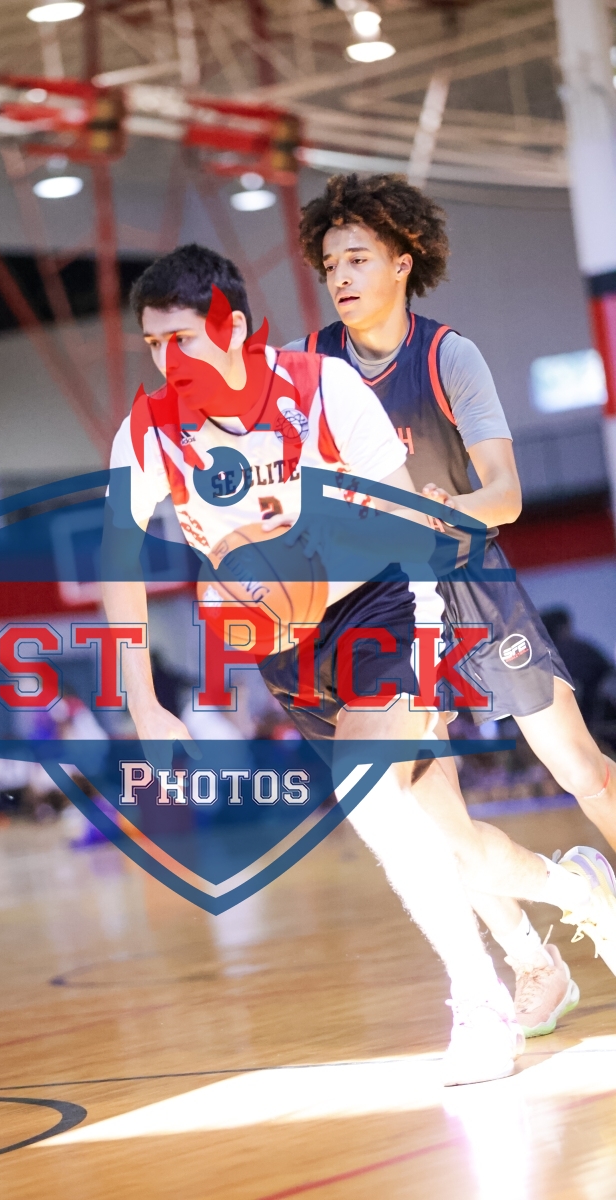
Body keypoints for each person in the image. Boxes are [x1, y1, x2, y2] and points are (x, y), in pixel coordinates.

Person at [104, 244, 613, 1083]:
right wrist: (142, 700)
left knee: (370, 796)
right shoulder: (148, 431)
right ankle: (566, 903)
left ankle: (479, 1004)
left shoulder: (320, 388)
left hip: (384, 606)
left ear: (231, 328)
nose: (166, 360)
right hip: (286, 652)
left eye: (181, 339)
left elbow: (407, 523)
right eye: (153, 344)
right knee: (446, 840)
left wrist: (361, 597)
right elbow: (118, 559)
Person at [288, 172, 616, 1036]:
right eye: (330, 264)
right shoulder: (306, 369)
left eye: (358, 258)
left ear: (404, 261)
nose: (341, 276)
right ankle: (533, 963)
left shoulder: (446, 356)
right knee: (435, 819)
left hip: (471, 579)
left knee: (581, 771)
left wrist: (431, 511)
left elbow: (505, 495)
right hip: (384, 604)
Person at [541, 607, 613, 729]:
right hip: (595, 719)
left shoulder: (544, 656)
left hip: (566, 721)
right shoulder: (580, 649)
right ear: (564, 627)